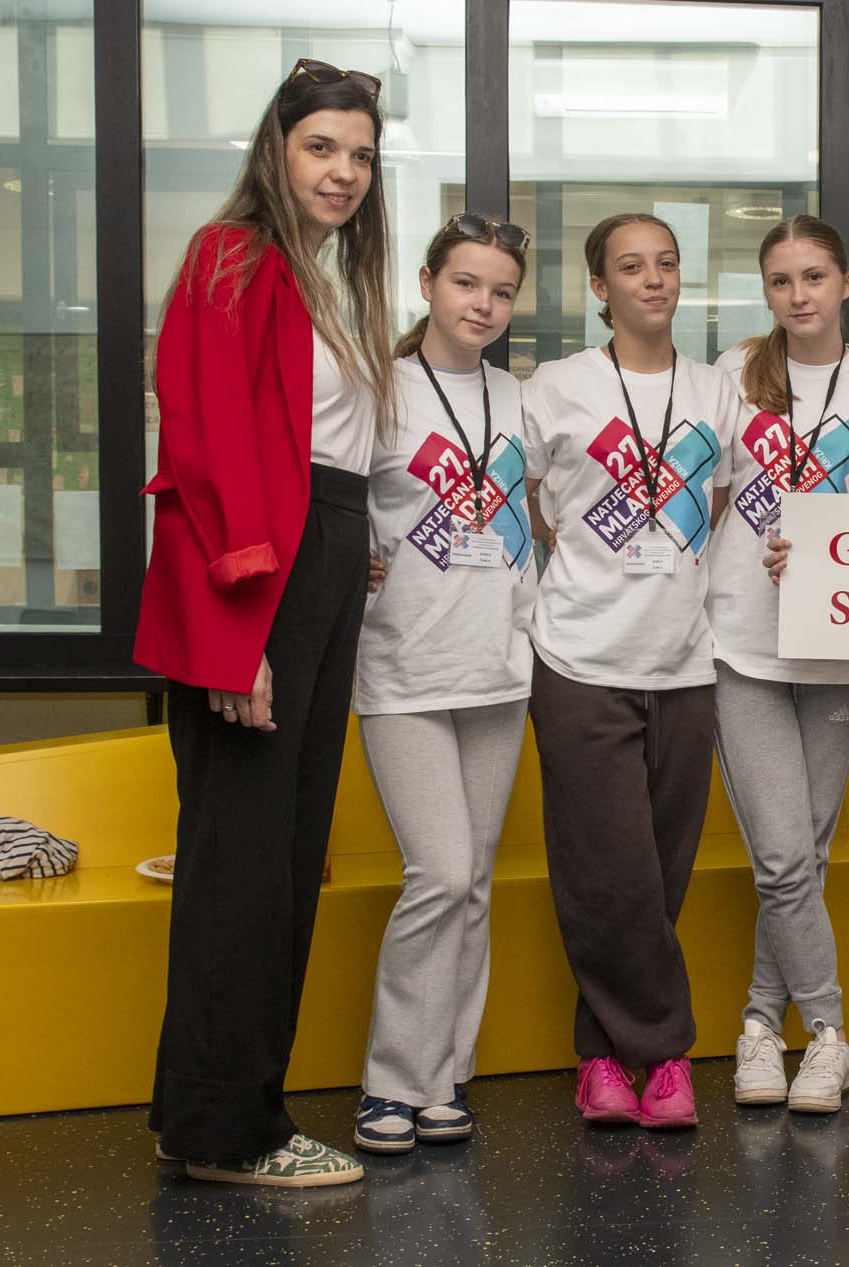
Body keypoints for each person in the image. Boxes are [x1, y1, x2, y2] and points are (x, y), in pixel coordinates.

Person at [133, 58, 395, 1187]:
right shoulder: (231, 254)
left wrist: (348, 551)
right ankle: (228, 1132)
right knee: (244, 867)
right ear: (276, 150)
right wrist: (240, 633)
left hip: (321, 558)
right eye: (321, 147)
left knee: (283, 860)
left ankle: (206, 1110)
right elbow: (205, 443)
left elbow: (327, 452)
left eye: (361, 154)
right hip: (259, 576)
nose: (344, 171)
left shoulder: (325, 278)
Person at [521, 212, 742, 1130]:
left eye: (667, 263)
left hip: (684, 658)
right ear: (599, 288)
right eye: (631, 266)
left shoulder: (716, 389)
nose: (654, 280)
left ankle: (605, 1058)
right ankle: (668, 1053)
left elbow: (717, 501)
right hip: (580, 655)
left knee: (658, 870)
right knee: (607, 869)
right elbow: (533, 505)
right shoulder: (557, 386)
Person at [710, 216, 849, 1114]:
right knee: (786, 854)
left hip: (836, 652)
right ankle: (828, 1033)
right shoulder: (732, 375)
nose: (800, 295)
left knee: (804, 855)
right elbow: (703, 503)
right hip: (742, 642)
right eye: (782, 280)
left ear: (847, 283)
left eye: (816, 276)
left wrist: (833, 554)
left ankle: (759, 1022)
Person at [351, 214, 536, 1153]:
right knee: (442, 870)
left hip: (498, 667)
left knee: (475, 881)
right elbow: (332, 505)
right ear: (427, 283)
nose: (483, 305)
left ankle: (442, 1073)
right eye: (467, 283)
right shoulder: (377, 389)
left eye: (501, 291)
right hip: (404, 668)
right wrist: (353, 562)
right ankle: (390, 1080)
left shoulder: (519, 397)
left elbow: (550, 507)